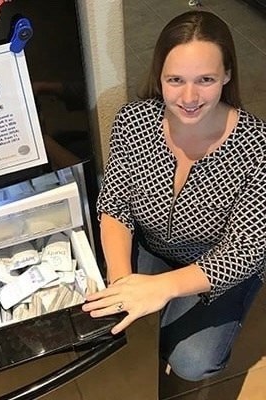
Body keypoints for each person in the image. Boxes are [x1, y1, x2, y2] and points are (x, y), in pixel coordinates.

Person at [82, 10, 266, 382]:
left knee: (191, 361)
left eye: (206, 79)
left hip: (215, 262)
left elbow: (247, 249)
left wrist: (162, 288)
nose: (189, 97)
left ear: (227, 75)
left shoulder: (257, 146)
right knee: (117, 324)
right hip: (151, 245)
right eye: (175, 80)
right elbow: (115, 205)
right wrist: (122, 282)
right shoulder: (133, 122)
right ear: (160, 77)